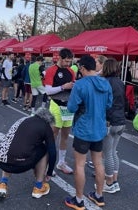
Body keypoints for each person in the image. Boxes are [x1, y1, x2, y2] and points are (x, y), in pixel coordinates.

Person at [65, 55, 113, 209]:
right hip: (99, 128)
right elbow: (109, 104)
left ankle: (78, 200)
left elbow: (71, 108)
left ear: (83, 68)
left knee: (79, 164)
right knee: (98, 163)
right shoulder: (105, 83)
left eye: (80, 69)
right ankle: (99, 196)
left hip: (83, 129)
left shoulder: (80, 84)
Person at [0, 107, 56, 199]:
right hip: (20, 164)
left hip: (0, 161)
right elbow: (52, 152)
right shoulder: (45, 126)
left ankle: (3, 184)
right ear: (49, 121)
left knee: (10, 147)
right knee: (44, 149)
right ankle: (38, 187)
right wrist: (49, 172)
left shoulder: (23, 119)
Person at [44, 48, 75, 174]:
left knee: (65, 135)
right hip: (56, 105)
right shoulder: (51, 70)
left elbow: (72, 86)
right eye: (66, 61)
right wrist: (63, 87)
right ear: (60, 58)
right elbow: (48, 90)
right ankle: (47, 164)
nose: (68, 64)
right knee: (53, 135)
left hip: (68, 106)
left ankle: (61, 162)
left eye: (70, 61)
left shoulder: (71, 71)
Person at [100, 57, 126, 194]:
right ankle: (114, 181)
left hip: (109, 121)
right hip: (121, 120)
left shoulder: (105, 82)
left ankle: (109, 183)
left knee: (107, 154)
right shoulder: (120, 82)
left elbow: (104, 103)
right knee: (113, 152)